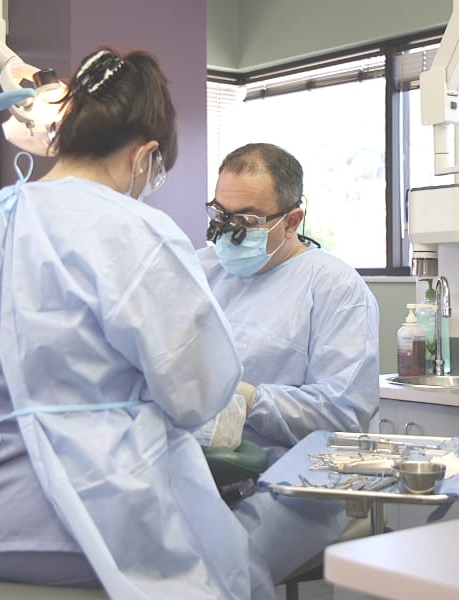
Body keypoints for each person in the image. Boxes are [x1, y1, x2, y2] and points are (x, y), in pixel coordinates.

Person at [0, 48, 276, 599]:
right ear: (146, 155)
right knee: (229, 568)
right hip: (92, 522)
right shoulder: (138, 232)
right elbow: (198, 394)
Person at [196, 142, 381, 583]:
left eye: (246, 221)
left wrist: (249, 400)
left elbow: (345, 414)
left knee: (216, 576)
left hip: (296, 477)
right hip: (203, 461)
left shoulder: (335, 287)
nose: (226, 233)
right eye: (220, 216)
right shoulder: (200, 269)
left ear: (292, 220)